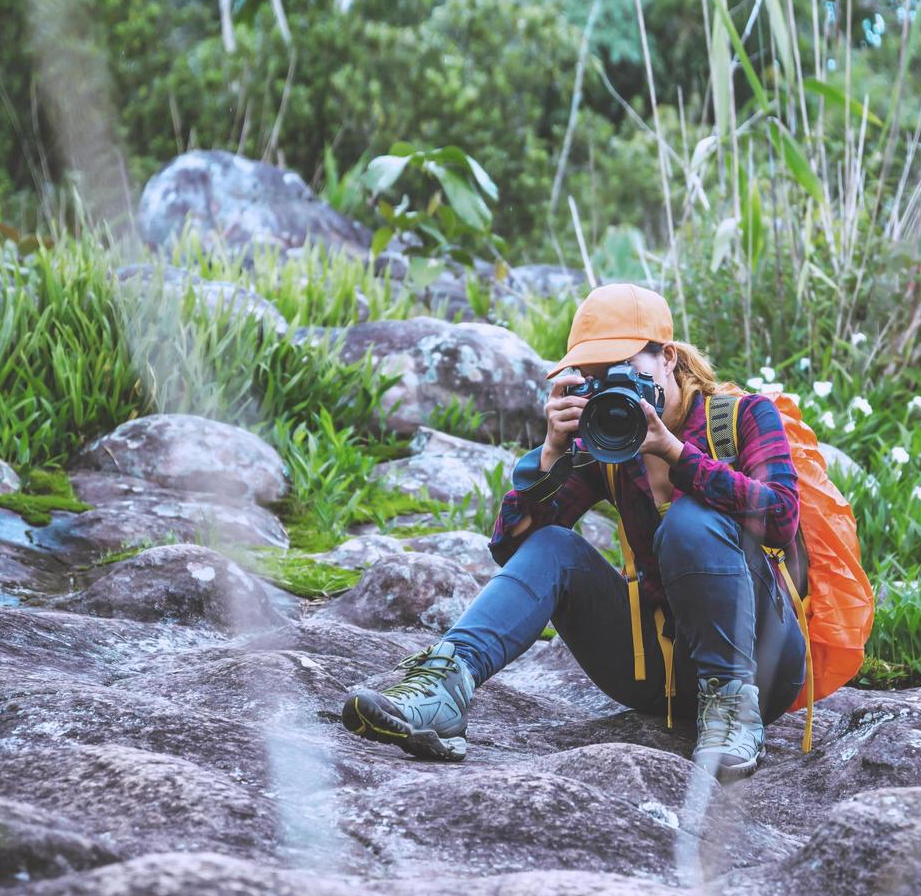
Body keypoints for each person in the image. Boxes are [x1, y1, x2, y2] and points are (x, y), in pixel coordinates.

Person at [341, 283, 806, 781]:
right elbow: (516, 547)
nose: (612, 390)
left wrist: (675, 454)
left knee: (691, 523)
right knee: (555, 544)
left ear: (667, 358)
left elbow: (780, 518)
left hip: (762, 662)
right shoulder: (606, 439)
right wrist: (550, 456)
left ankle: (733, 710)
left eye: (624, 372)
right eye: (595, 378)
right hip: (657, 676)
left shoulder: (742, 417)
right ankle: (442, 688)